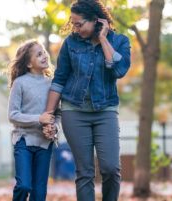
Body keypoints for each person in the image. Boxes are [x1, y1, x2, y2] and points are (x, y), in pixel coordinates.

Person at [44, 0, 131, 200]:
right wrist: (48, 115)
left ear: (96, 20)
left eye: (79, 23)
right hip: (74, 111)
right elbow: (60, 79)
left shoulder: (120, 42)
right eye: (73, 24)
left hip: (105, 111)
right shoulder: (71, 43)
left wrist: (103, 39)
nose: (76, 28)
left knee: (110, 168)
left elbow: (119, 70)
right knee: (85, 172)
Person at [7, 39, 60, 201]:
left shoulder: (52, 84)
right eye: (38, 54)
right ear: (29, 64)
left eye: (44, 52)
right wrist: (39, 118)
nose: (44, 56)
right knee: (24, 185)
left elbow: (57, 113)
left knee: (39, 193)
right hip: (23, 141)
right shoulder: (20, 83)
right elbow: (13, 115)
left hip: (45, 143)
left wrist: (54, 127)